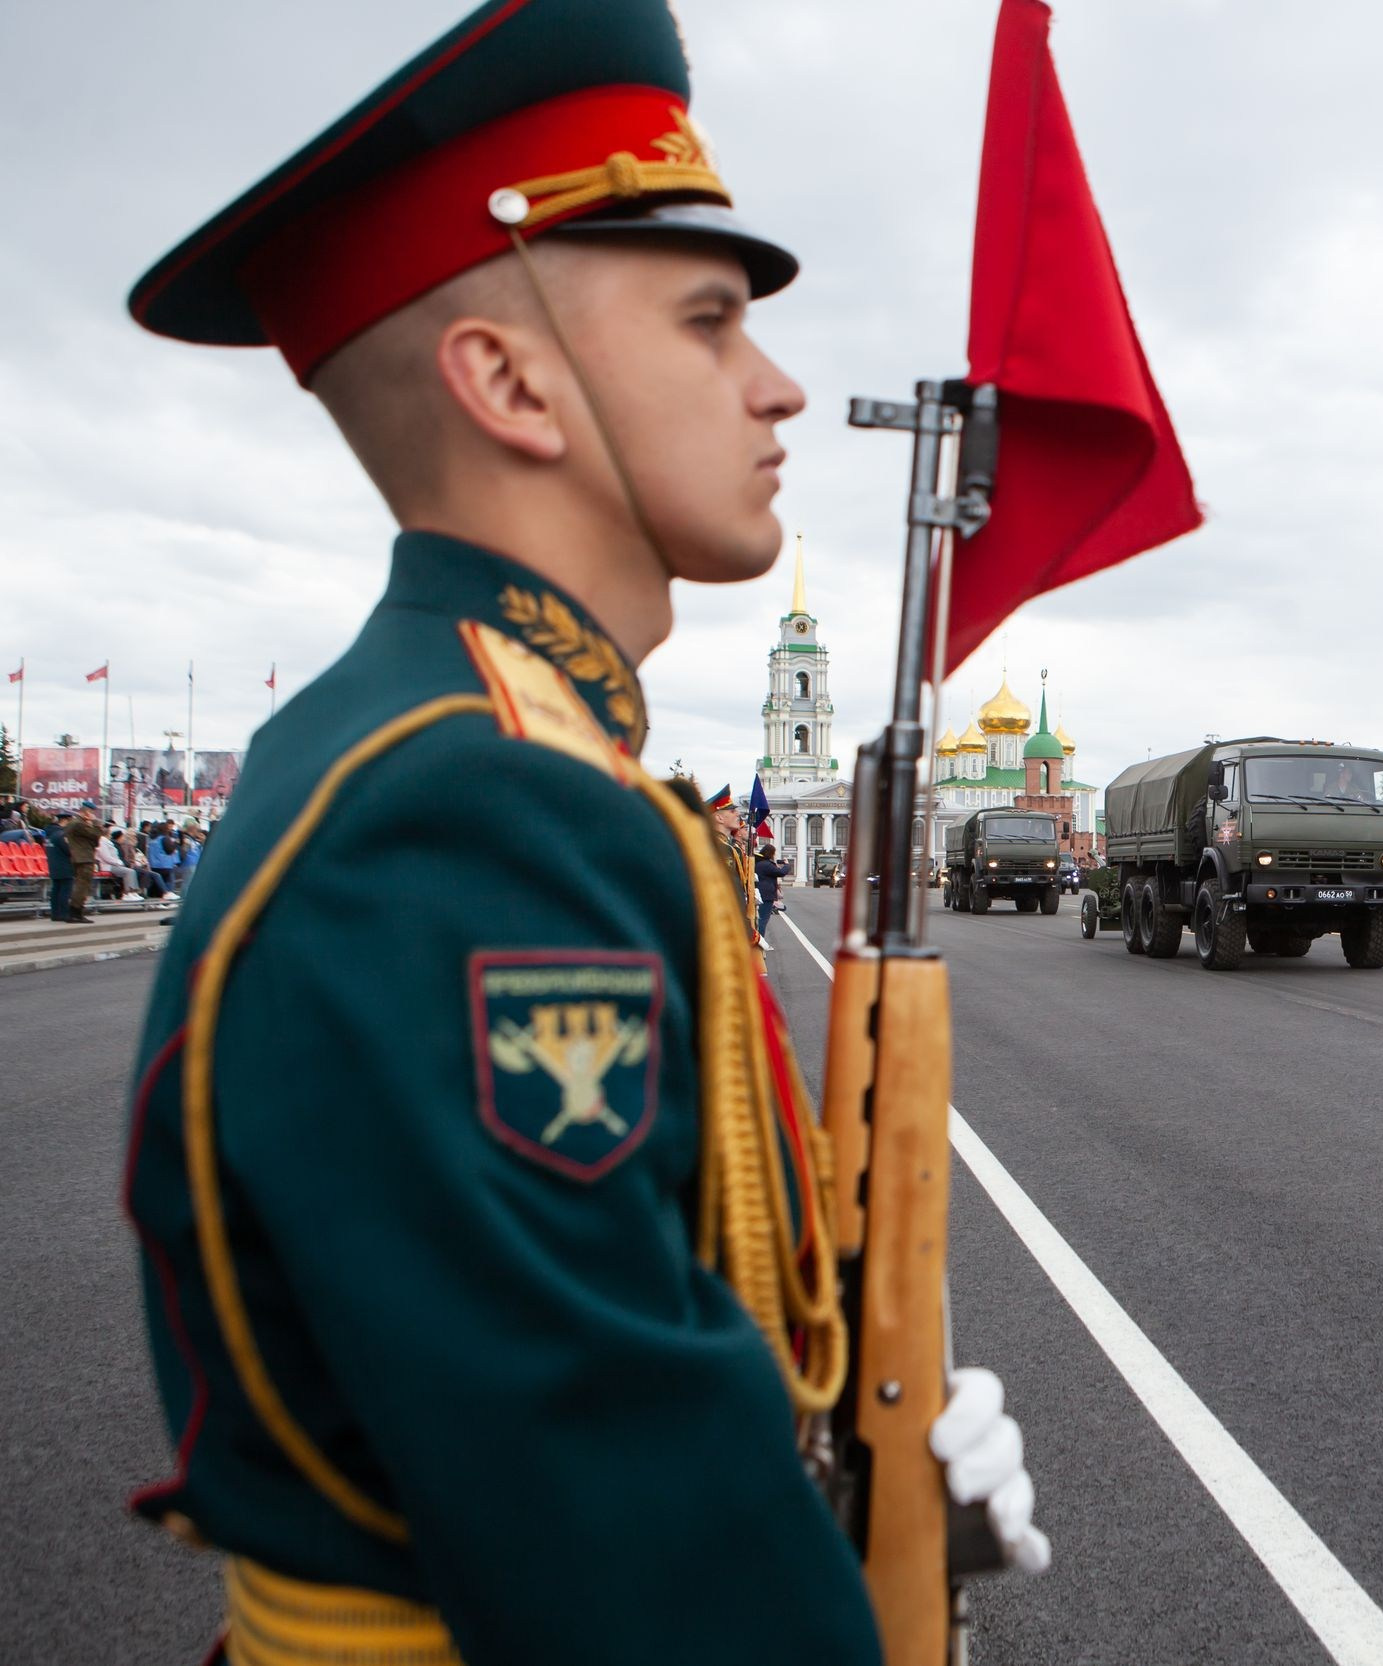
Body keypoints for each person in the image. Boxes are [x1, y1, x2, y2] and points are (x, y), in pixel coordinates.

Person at [118, 6, 1043, 1660]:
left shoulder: (498, 751)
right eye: (705, 323)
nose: (777, 382)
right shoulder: (467, 807)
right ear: (508, 381)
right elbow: (635, 1562)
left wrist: (840, 1469)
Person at [753, 838, 789, 948]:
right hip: (766, 895)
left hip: (760, 893)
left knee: (760, 919)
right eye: (774, 853)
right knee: (763, 919)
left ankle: (758, 941)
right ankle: (760, 943)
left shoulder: (759, 863)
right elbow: (781, 873)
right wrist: (786, 865)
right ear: (770, 853)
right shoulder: (767, 864)